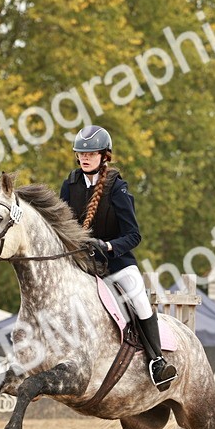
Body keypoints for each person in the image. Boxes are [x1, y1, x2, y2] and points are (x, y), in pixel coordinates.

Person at [60, 125, 176, 388]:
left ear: (104, 156)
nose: (85, 158)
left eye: (91, 153)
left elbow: (133, 235)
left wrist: (109, 247)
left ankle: (156, 360)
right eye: (81, 153)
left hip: (115, 262)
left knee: (139, 297)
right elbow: (61, 225)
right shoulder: (70, 184)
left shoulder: (117, 187)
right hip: (81, 263)